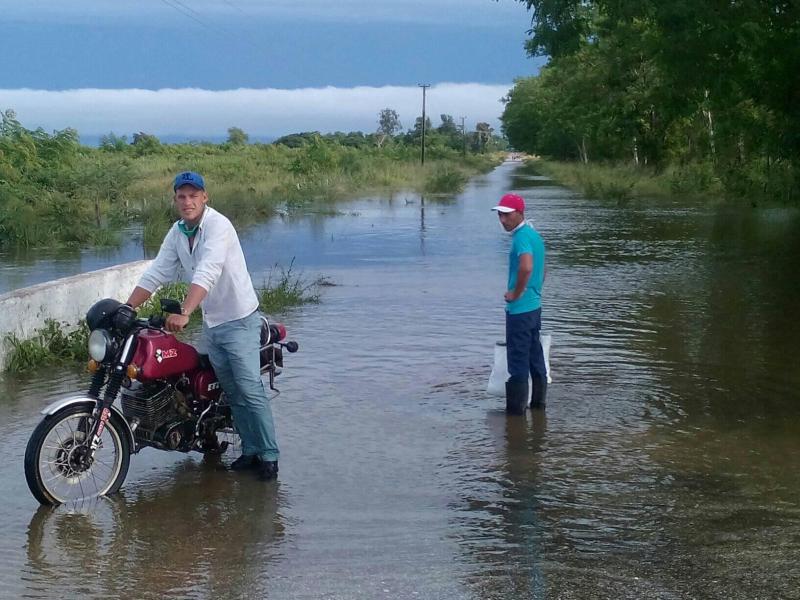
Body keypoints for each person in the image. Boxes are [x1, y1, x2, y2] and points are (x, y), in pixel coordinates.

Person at [125, 171, 280, 481]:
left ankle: (270, 454)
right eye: (181, 196)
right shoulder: (178, 232)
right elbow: (157, 272)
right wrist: (127, 307)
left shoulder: (218, 226)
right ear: (175, 200)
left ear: (205, 197)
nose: (187, 201)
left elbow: (208, 270)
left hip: (239, 320)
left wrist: (184, 311)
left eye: (193, 195)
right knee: (232, 392)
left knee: (249, 388)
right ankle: (250, 451)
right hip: (213, 323)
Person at [491, 193, 547, 415]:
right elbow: (544, 270)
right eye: (500, 215)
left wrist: (516, 293)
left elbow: (526, 267)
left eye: (507, 215)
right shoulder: (534, 235)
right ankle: (538, 407)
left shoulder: (522, 237)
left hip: (520, 311)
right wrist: (534, 291)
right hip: (534, 307)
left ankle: (515, 418)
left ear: (519, 213)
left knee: (517, 363)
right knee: (535, 357)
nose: (503, 220)